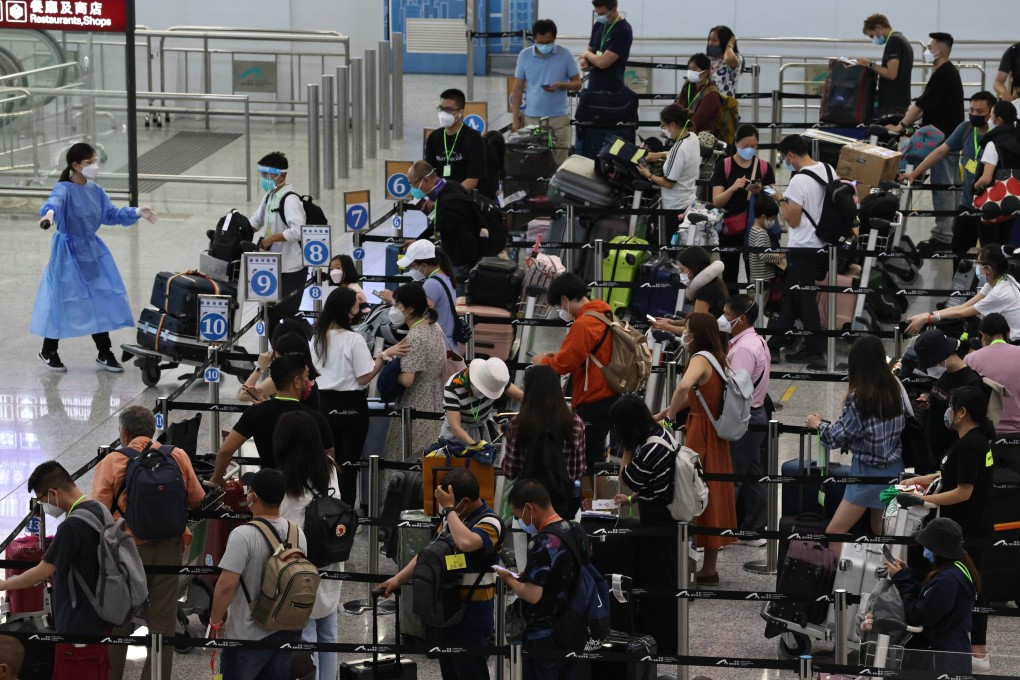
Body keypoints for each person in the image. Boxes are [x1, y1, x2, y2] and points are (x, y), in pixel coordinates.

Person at [92, 405, 206, 680]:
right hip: (169, 548)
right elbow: (197, 498)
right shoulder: (176, 455)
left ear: (124, 432)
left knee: (118, 620)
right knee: (163, 625)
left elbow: (100, 512)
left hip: (126, 550)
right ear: (153, 430)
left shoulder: (112, 462)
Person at [33, 142, 158, 372]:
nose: (94, 166)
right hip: (67, 252)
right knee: (64, 299)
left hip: (91, 250)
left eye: (94, 161)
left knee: (98, 298)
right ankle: (48, 350)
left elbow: (110, 214)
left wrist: (137, 212)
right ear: (75, 165)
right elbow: (54, 204)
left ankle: (104, 351)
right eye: (89, 162)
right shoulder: (63, 188)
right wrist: (49, 215)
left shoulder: (95, 190)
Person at [901, 387, 994, 672]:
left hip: (969, 530)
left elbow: (963, 491)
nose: (948, 412)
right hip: (967, 527)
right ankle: (971, 649)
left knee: (971, 589)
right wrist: (921, 479)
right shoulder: (969, 441)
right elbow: (950, 472)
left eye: (951, 406)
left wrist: (922, 499)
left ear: (963, 412)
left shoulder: (970, 445)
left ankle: (976, 652)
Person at [380, 469, 503, 680]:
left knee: (471, 674)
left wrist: (449, 510)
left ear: (463, 501)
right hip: (446, 609)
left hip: (473, 615)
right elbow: (428, 554)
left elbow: (466, 542)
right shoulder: (453, 518)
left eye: (450, 503)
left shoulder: (490, 522)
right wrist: (398, 579)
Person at [0, 462, 111, 676]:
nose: (44, 506)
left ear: (53, 492)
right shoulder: (98, 509)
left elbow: (41, 572)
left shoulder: (71, 526)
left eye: (42, 499)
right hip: (99, 615)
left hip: (77, 625)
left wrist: (4, 584)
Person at [805, 336, 905, 549]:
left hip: (867, 474)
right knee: (881, 528)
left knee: (835, 532)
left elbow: (834, 437)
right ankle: (888, 574)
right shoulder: (895, 387)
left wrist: (818, 424)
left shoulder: (860, 397)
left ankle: (837, 581)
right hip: (894, 468)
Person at [660, 312, 738, 583]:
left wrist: (669, 418)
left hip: (700, 432)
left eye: (688, 329)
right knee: (713, 492)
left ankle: (692, 563)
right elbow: (698, 395)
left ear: (697, 334)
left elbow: (684, 386)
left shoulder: (700, 358)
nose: (685, 334)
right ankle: (709, 567)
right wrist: (664, 412)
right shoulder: (718, 358)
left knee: (691, 491)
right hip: (715, 433)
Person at [209, 469, 306, 679]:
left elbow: (226, 585)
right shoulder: (298, 533)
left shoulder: (243, 535)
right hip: (285, 630)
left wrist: (215, 621)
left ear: (253, 497)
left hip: (246, 636)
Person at [495, 479, 588, 680]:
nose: (521, 522)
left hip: (544, 635)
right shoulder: (575, 530)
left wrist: (509, 579)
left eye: (519, 516)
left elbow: (533, 594)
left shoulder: (542, 541)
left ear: (530, 508)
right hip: (573, 628)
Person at [276, 412, 344, 680]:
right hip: (330, 551)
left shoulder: (286, 475)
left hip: (298, 559)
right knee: (328, 629)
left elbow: (280, 519)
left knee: (305, 632)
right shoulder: (328, 465)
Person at [609, 395, 680, 653]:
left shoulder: (651, 447)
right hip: (659, 512)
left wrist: (627, 447)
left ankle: (664, 641)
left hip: (658, 520)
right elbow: (656, 480)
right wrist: (631, 500)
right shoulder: (660, 434)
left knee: (660, 581)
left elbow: (628, 476)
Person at [310, 287, 391, 505]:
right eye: (356, 303)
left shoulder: (317, 338)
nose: (359, 307)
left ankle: (323, 510)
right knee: (348, 467)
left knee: (325, 464)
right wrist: (381, 359)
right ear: (348, 309)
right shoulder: (354, 339)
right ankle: (345, 514)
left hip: (323, 405)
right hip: (352, 407)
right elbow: (364, 377)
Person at [533, 272, 619, 473]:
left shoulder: (583, 324)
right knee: (596, 451)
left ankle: (593, 501)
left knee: (589, 456)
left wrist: (542, 361)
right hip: (610, 390)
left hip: (593, 396)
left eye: (559, 305)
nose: (561, 310)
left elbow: (564, 364)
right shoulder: (603, 312)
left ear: (564, 299)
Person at [886, 34, 963, 253]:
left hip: (941, 143)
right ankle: (950, 231)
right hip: (946, 138)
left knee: (943, 188)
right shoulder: (947, 73)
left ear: (940, 51)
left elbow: (921, 106)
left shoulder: (944, 74)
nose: (926, 51)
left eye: (929, 47)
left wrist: (901, 126)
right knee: (951, 187)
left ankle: (943, 236)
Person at [211, 354, 334, 484]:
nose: (309, 381)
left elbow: (225, 451)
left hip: (269, 488)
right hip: (304, 490)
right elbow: (329, 458)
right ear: (297, 381)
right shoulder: (316, 418)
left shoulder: (255, 412)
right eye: (307, 376)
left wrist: (216, 478)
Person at [899, 91, 997, 251]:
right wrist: (915, 173)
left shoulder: (997, 134)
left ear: (991, 113)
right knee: (959, 252)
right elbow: (940, 151)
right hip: (967, 205)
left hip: (992, 206)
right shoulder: (966, 129)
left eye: (979, 112)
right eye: (971, 110)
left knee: (992, 254)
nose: (974, 114)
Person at [884, 518, 980, 676]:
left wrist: (902, 580)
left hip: (943, 662)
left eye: (927, 546)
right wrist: (905, 574)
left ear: (937, 549)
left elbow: (920, 616)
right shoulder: (959, 570)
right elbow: (930, 599)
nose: (924, 551)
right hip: (954, 653)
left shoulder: (948, 580)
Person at [770, 134, 830, 366]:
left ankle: (814, 349)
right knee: (794, 296)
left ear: (791, 155)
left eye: (784, 157)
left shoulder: (798, 180)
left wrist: (778, 198)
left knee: (804, 298)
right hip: (822, 244)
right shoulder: (826, 169)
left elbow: (792, 220)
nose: (785, 161)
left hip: (802, 246)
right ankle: (775, 343)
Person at [501, 365, 587, 517]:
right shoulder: (575, 423)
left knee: (527, 540)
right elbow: (579, 470)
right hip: (563, 507)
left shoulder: (517, 425)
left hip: (527, 509)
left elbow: (509, 471)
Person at [720, 296, 771, 540]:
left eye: (727, 315)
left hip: (745, 417)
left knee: (734, 476)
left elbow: (736, 390)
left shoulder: (742, 349)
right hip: (755, 414)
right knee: (751, 473)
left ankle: (722, 530)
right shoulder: (756, 340)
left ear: (740, 319)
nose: (724, 319)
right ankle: (754, 528)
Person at [383, 283, 446, 460]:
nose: (395, 309)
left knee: (405, 457)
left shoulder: (415, 336)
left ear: (410, 309)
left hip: (415, 403)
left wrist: (390, 370)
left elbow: (407, 380)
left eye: (397, 304)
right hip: (435, 399)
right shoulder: (433, 327)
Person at [904, 244, 1020, 339]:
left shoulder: (999, 293)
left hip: (1015, 344)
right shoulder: (1002, 280)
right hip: (1008, 336)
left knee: (959, 322)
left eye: (979, 264)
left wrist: (927, 319)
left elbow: (960, 313)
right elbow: (963, 306)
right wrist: (925, 315)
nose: (977, 267)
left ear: (988, 269)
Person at [249, 151, 309, 330]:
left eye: (268, 175)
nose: (264, 179)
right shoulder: (269, 196)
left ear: (282, 174)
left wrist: (272, 239)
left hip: (291, 269)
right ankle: (277, 354)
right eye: (262, 175)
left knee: (288, 316)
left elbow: (298, 231)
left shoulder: (290, 200)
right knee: (271, 317)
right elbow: (255, 221)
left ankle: (307, 343)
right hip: (273, 267)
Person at [711, 124, 777, 283]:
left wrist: (762, 190)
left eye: (753, 146)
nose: (749, 149)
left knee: (754, 276)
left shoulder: (763, 166)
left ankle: (751, 307)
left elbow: (775, 195)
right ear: (736, 143)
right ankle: (731, 306)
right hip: (730, 229)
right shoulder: (724, 166)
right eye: (745, 146)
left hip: (756, 231)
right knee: (729, 275)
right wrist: (733, 188)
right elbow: (717, 201)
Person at [511, 18, 581, 165]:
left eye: (548, 43)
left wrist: (561, 85)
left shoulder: (565, 54)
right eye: (540, 42)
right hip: (532, 118)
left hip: (558, 118)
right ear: (534, 39)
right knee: (534, 161)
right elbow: (517, 89)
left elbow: (577, 83)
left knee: (559, 161)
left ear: (554, 39)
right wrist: (515, 119)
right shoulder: (524, 56)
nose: (544, 46)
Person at [912, 330, 984, 469]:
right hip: (934, 452)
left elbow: (969, 428)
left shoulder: (970, 383)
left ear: (943, 357)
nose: (930, 368)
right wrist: (928, 400)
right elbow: (941, 398)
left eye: (932, 363)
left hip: (952, 456)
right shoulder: (946, 374)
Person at [408, 160, 481, 286]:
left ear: (425, 180)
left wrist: (472, 270)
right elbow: (439, 221)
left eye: (413, 184)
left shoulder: (448, 202)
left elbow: (466, 236)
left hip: (458, 265)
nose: (413, 189)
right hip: (456, 261)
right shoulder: (451, 186)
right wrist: (418, 240)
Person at [378, 239, 459, 348]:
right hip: (447, 343)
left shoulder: (432, 284)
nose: (412, 270)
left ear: (424, 265)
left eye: (412, 266)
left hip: (437, 346)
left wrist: (393, 300)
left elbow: (419, 315)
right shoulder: (445, 278)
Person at [966, 313, 1020, 473]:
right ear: (1008, 333)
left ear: (983, 335)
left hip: (986, 438)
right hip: (1018, 438)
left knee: (988, 490)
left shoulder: (971, 359)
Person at [637, 104, 701, 233]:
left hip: (675, 207)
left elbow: (668, 183)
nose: (664, 130)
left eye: (663, 125)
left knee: (673, 249)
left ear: (672, 125)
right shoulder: (692, 137)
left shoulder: (679, 149)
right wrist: (659, 154)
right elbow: (681, 156)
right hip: (689, 201)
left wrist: (648, 174)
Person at [423, 88, 490, 196]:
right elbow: (429, 175)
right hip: (441, 198)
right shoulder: (433, 138)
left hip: (464, 199)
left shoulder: (474, 139)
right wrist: (433, 195)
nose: (443, 113)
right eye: (441, 109)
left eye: (448, 110)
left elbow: (472, 180)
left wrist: (448, 196)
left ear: (460, 112)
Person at [443, 358, 523, 446]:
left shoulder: (496, 378)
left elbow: (519, 395)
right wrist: (477, 447)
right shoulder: (452, 388)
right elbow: (455, 428)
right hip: (459, 433)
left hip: (483, 426)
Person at [651, 246, 728, 337]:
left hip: (711, 342)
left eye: (682, 270)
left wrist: (667, 327)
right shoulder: (714, 284)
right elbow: (695, 319)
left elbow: (695, 329)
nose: (680, 273)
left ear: (693, 268)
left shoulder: (705, 292)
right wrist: (672, 322)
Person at [239, 329, 319, 405]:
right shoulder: (307, 375)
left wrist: (260, 368)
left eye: (276, 358)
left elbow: (243, 396)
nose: (275, 362)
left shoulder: (281, 380)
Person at [974, 101, 1020, 231]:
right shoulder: (1017, 139)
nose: (989, 119)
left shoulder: (993, 144)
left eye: (991, 116)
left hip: (993, 203)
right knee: (1004, 244)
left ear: (998, 120)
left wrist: (975, 187)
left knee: (989, 246)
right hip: (1013, 202)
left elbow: (986, 178)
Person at [858, 14, 914, 118]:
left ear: (878, 27)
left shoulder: (894, 41)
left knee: (888, 132)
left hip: (893, 103)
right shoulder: (901, 39)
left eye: (872, 36)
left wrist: (869, 64)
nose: (873, 39)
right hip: (898, 100)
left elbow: (891, 74)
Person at [579, 0, 633, 93]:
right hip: (593, 88)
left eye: (602, 13)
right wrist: (584, 61)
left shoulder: (623, 30)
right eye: (597, 13)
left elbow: (603, 63)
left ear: (614, 9)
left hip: (612, 90)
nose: (600, 17)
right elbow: (589, 49)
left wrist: (587, 55)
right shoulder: (599, 24)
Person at [675, 53, 721, 136]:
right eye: (689, 68)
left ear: (705, 72)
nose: (690, 72)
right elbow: (677, 107)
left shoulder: (712, 93)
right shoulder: (688, 86)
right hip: (685, 133)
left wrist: (676, 131)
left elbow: (698, 120)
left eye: (694, 69)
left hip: (702, 138)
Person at [746, 195, 786, 285]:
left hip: (756, 276)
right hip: (762, 278)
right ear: (763, 217)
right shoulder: (761, 233)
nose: (773, 222)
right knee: (761, 299)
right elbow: (763, 254)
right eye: (772, 219)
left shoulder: (753, 229)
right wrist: (779, 257)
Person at [706, 25, 743, 98]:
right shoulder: (709, 59)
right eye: (709, 40)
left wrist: (729, 46)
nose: (710, 43)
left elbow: (728, 59)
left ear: (724, 41)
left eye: (714, 40)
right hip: (707, 102)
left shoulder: (735, 58)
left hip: (724, 105)